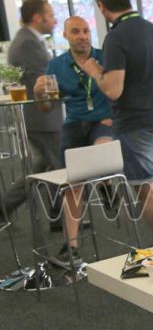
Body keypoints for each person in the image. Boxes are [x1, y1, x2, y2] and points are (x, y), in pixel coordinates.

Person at [80, 0, 153, 243]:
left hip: (135, 122)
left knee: (143, 185)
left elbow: (113, 90)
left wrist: (95, 70)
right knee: (152, 180)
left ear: (101, 6)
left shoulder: (117, 37)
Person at [36, 16, 114, 267]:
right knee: (73, 182)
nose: (82, 36)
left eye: (86, 31)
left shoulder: (106, 58)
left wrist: (115, 115)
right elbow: (47, 107)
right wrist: (39, 94)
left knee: (98, 151)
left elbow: (122, 90)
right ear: (66, 36)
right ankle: (71, 247)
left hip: (104, 123)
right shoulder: (56, 65)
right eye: (76, 32)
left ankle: (105, 182)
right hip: (74, 125)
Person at [3, 0, 63, 226]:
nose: (54, 19)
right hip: (41, 117)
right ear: (38, 17)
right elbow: (45, 80)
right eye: (50, 14)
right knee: (60, 166)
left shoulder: (27, 39)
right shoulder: (28, 43)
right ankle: (59, 216)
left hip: (39, 117)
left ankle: (56, 214)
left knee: (43, 167)